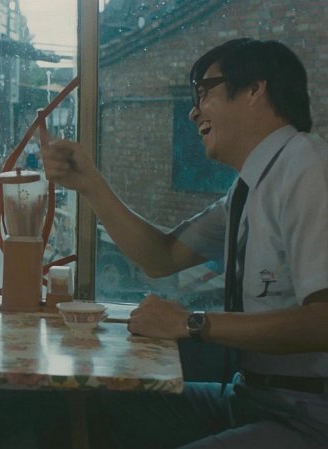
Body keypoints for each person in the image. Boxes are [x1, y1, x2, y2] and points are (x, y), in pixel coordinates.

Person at [42, 38, 328, 448]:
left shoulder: (308, 168)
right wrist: (89, 184)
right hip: (250, 395)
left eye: (204, 91)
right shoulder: (248, 189)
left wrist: (191, 323)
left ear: (254, 89)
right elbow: (161, 257)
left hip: (309, 414)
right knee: (98, 400)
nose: (194, 111)